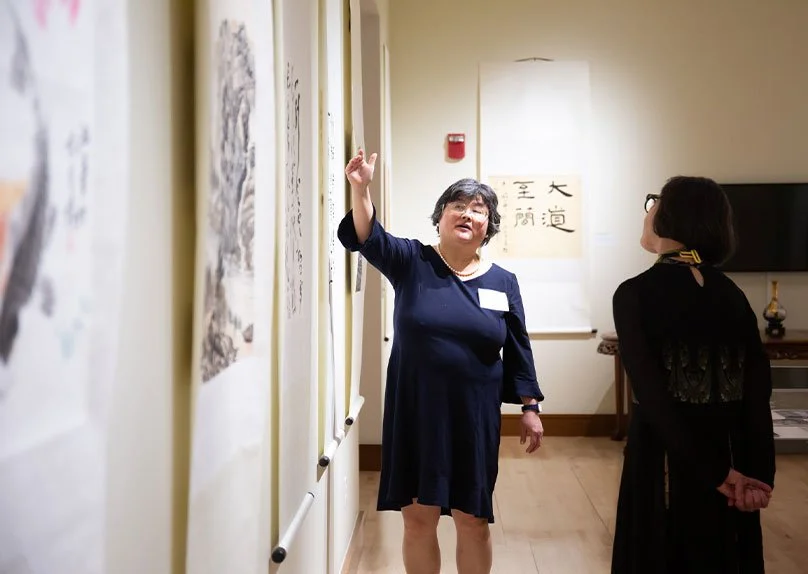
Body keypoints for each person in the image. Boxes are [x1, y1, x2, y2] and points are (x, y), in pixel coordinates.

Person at [338, 149, 544, 574]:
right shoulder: (412, 261)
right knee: (418, 518)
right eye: (458, 206)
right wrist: (361, 188)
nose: (468, 214)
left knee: (473, 519)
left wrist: (529, 407)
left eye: (479, 209)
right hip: (416, 410)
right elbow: (366, 235)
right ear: (441, 217)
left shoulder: (504, 282)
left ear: (489, 226)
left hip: (473, 415)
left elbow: (518, 347)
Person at [610, 176, 777, 574]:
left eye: (655, 201)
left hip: (667, 460)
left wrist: (715, 474)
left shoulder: (635, 294)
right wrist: (756, 476)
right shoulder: (731, 293)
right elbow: (757, 390)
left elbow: (652, 398)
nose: (649, 209)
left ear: (671, 215)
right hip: (731, 461)